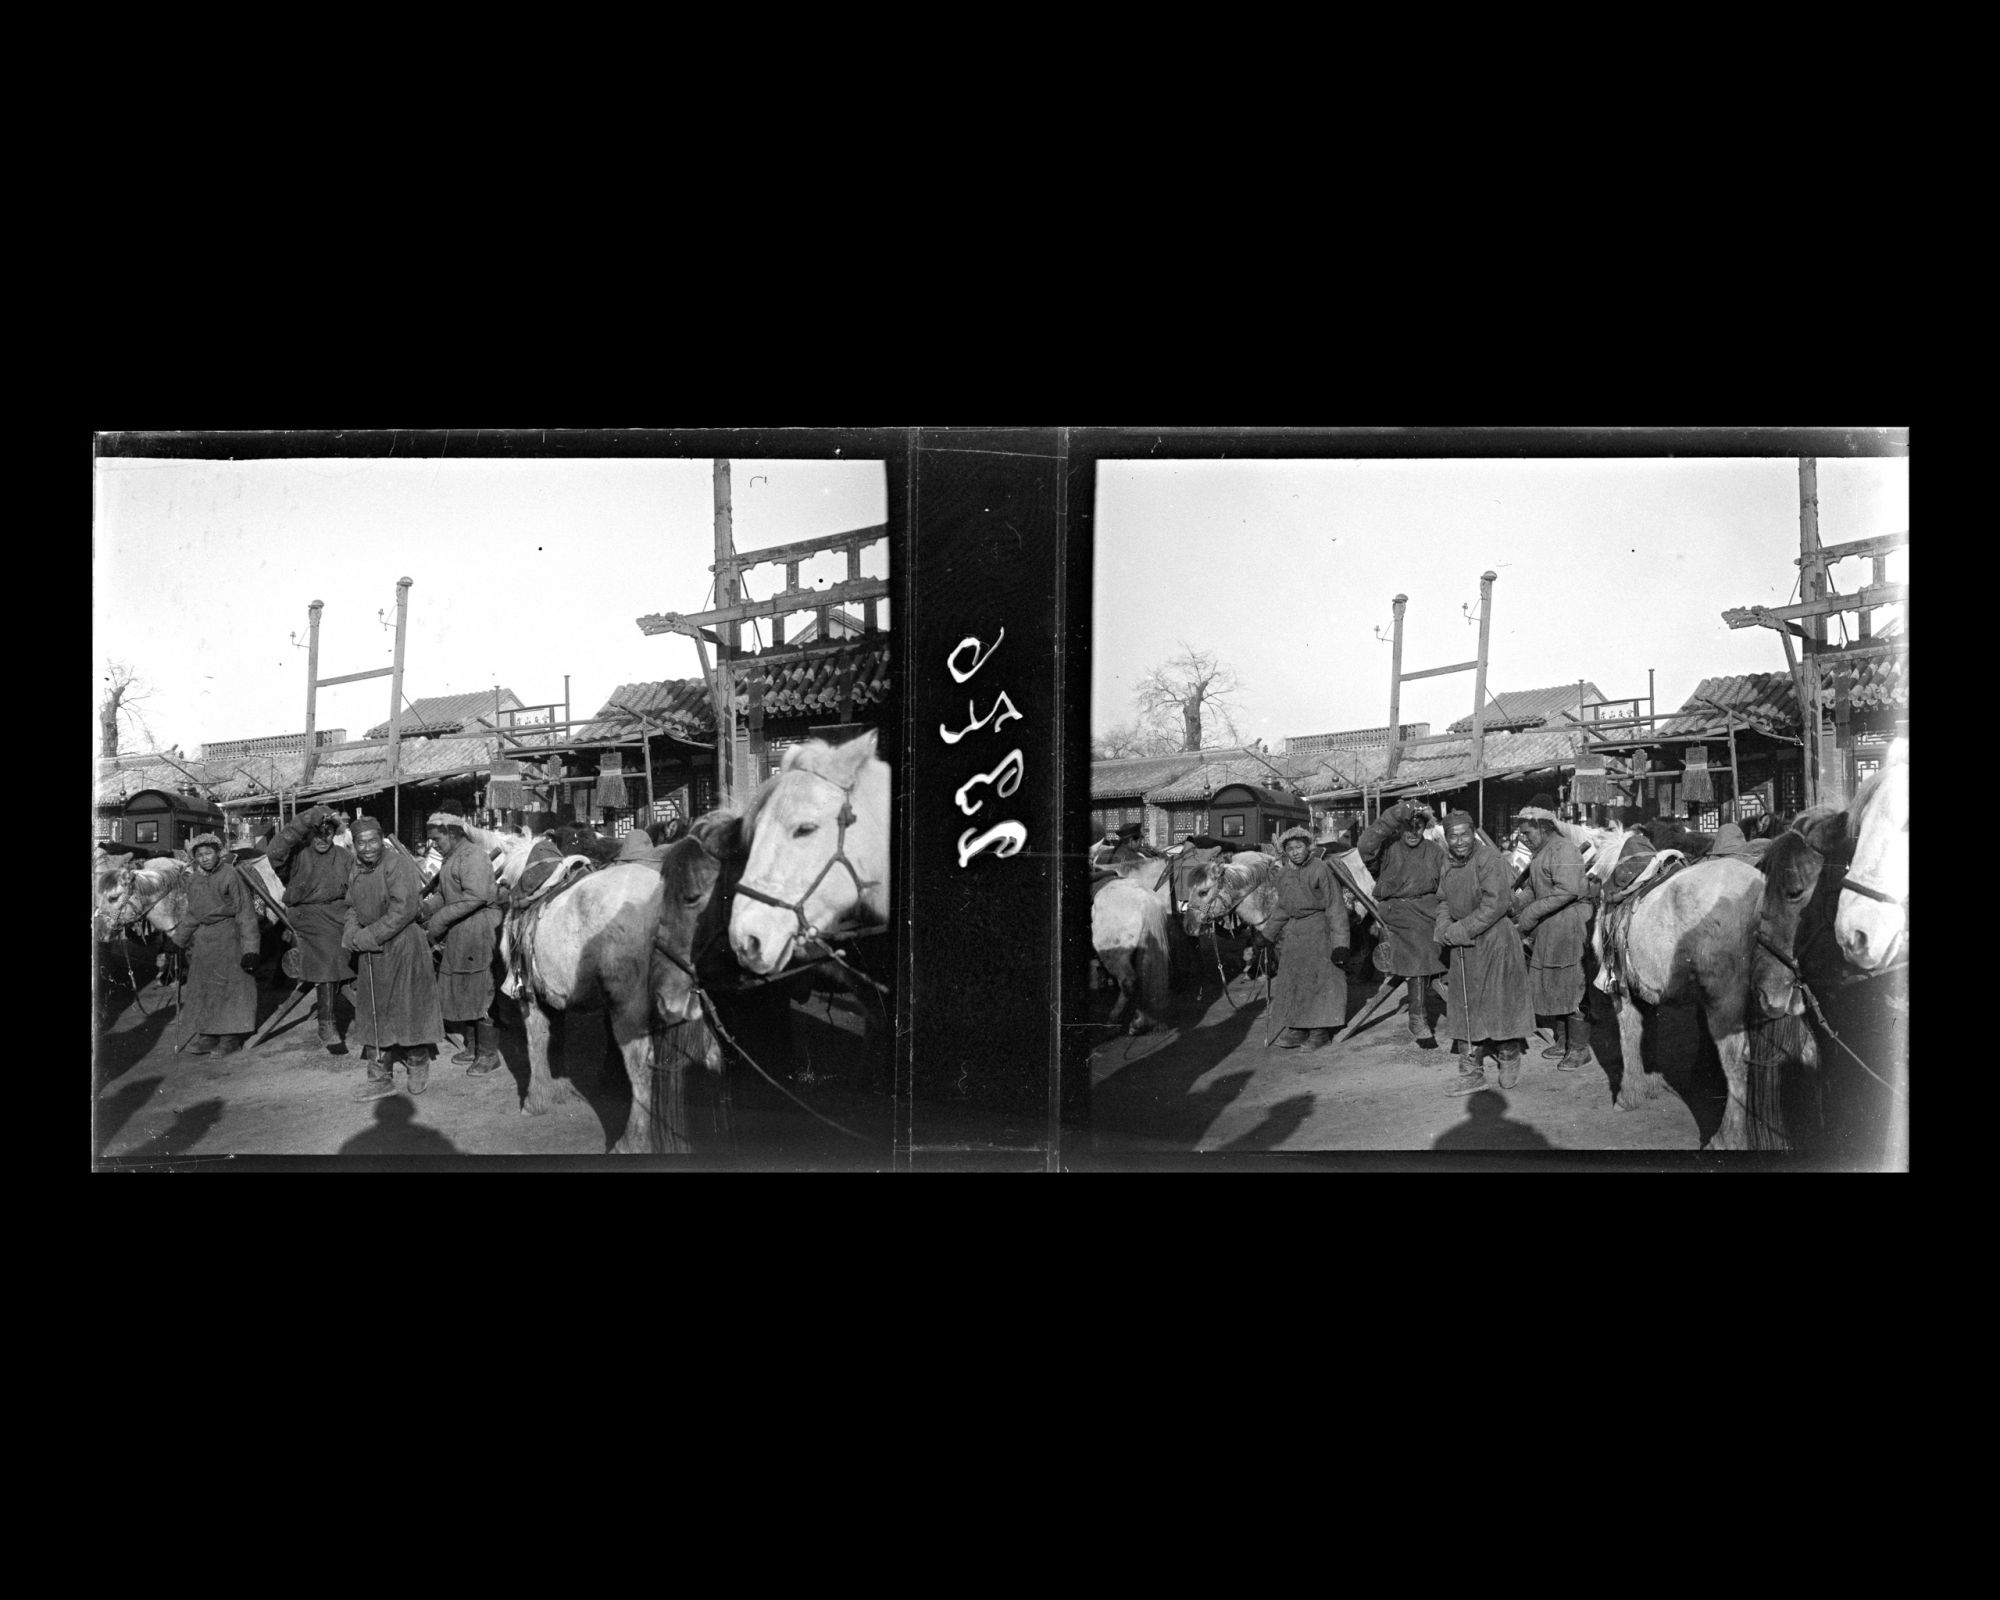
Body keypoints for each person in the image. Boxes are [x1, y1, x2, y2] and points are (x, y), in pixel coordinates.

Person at [342, 815, 444, 1101]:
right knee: (374, 1008)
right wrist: (352, 931)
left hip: (403, 946)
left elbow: (404, 909)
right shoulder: (356, 869)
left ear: (381, 839)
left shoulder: (397, 864)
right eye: (360, 843)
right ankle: (380, 1076)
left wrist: (369, 935)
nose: (367, 848)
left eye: (373, 841)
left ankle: (417, 1061)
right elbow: (350, 905)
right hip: (372, 950)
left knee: (409, 1005)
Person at [1435, 810, 1535, 1094]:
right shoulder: (1448, 863)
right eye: (1452, 836)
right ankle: (1472, 1072)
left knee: (1501, 1002)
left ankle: (1509, 1056)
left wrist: (1461, 929)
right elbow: (1442, 900)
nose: (1459, 841)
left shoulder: (1488, 859)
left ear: (1473, 833)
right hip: (1464, 944)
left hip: (1495, 940)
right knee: (1464, 1004)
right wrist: (1444, 926)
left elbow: (1496, 903)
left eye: (1464, 834)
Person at [1354, 798, 1448, 1046]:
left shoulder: (1435, 852)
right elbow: (1365, 845)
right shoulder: (1387, 849)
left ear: (1424, 827)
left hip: (1428, 910)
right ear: (1399, 827)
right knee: (1418, 942)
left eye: (1418, 826)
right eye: (1407, 826)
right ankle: (1417, 1017)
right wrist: (1394, 815)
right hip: (1397, 911)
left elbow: (1448, 883)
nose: (1413, 832)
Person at [1511, 794, 1594, 1073]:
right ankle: (1563, 1039)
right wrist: (1515, 905)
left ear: (1543, 827)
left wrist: (1531, 913)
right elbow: (1536, 888)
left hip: (1569, 923)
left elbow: (1568, 891)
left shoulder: (1564, 850)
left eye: (1527, 832)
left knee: (1573, 984)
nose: (1523, 838)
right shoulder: (1542, 853)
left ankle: (1579, 1049)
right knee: (1556, 981)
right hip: (1551, 925)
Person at [265, 802, 356, 1049]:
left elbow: (358, 889)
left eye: (328, 832)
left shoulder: (345, 857)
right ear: (308, 833)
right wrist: (305, 820)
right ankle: (327, 1022)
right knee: (329, 950)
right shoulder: (297, 856)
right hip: (307, 916)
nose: (322, 838)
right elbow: (275, 850)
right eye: (317, 832)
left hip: (339, 913)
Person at [420, 812, 503, 1076]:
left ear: (452, 834)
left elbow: (476, 896)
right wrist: (423, 909)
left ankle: (489, 1054)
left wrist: (439, 920)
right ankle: (473, 1045)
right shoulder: (452, 858)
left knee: (482, 989)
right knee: (465, 987)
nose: (433, 844)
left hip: (479, 928)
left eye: (437, 839)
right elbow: (445, 894)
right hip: (461, 930)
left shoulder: (474, 857)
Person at [171, 831, 260, 1055]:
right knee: (204, 988)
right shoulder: (194, 880)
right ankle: (209, 1035)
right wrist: (177, 941)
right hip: (204, 941)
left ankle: (230, 1037)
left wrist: (250, 950)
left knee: (229, 988)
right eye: (199, 854)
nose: (204, 858)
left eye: (209, 853)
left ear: (218, 853)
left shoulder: (231, 875)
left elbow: (245, 913)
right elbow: (192, 914)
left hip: (229, 938)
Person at [1264, 825, 1351, 1051]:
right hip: (1295, 933)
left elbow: (1335, 907)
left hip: (1319, 930)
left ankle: (1319, 1030)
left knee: (1319, 980)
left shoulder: (1320, 869)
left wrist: (1341, 943)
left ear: (1308, 847)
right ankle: (1298, 1027)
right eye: (1290, 848)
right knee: (1293, 980)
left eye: (1299, 846)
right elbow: (1283, 907)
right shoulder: (1283, 874)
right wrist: (1267, 935)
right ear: (1285, 852)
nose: (1295, 852)